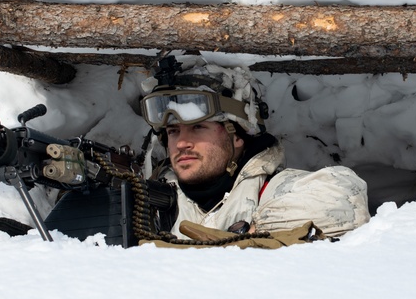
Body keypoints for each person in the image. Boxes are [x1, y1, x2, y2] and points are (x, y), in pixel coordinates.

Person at [140, 56, 370, 240]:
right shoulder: (151, 200)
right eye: (173, 131)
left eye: (198, 127)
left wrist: (251, 232)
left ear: (238, 135)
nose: (181, 143)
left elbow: (346, 198)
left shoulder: (270, 190)